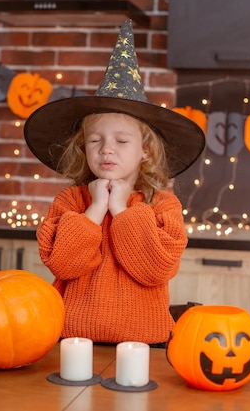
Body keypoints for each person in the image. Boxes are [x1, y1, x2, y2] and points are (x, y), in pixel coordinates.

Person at [23, 20, 205, 346]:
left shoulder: (163, 206)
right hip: (71, 341)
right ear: (83, 148)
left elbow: (155, 269)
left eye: (121, 141)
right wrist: (95, 209)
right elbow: (63, 264)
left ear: (145, 151)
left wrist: (121, 210)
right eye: (96, 140)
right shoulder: (71, 202)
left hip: (142, 346)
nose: (107, 148)